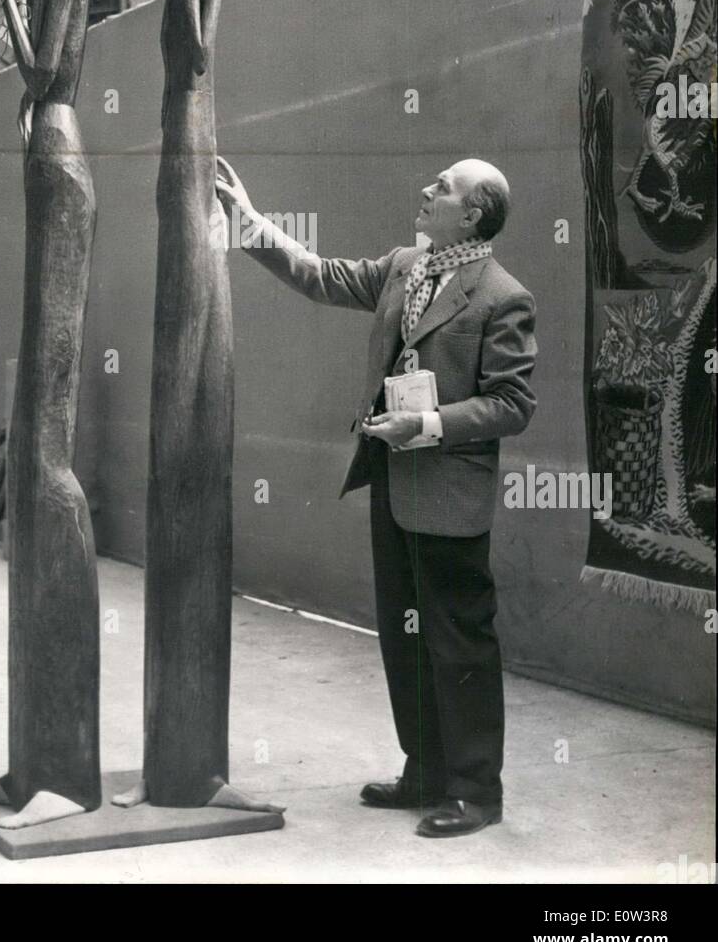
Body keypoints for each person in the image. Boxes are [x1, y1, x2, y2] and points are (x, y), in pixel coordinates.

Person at [215, 156, 537, 837]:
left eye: (442, 187)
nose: (426, 189)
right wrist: (247, 221)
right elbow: (321, 276)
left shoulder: (501, 295)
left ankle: (476, 792)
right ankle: (424, 770)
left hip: (447, 494)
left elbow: (511, 404)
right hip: (393, 482)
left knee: (457, 641)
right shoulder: (404, 267)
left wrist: (423, 424)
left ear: (472, 213)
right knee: (405, 635)